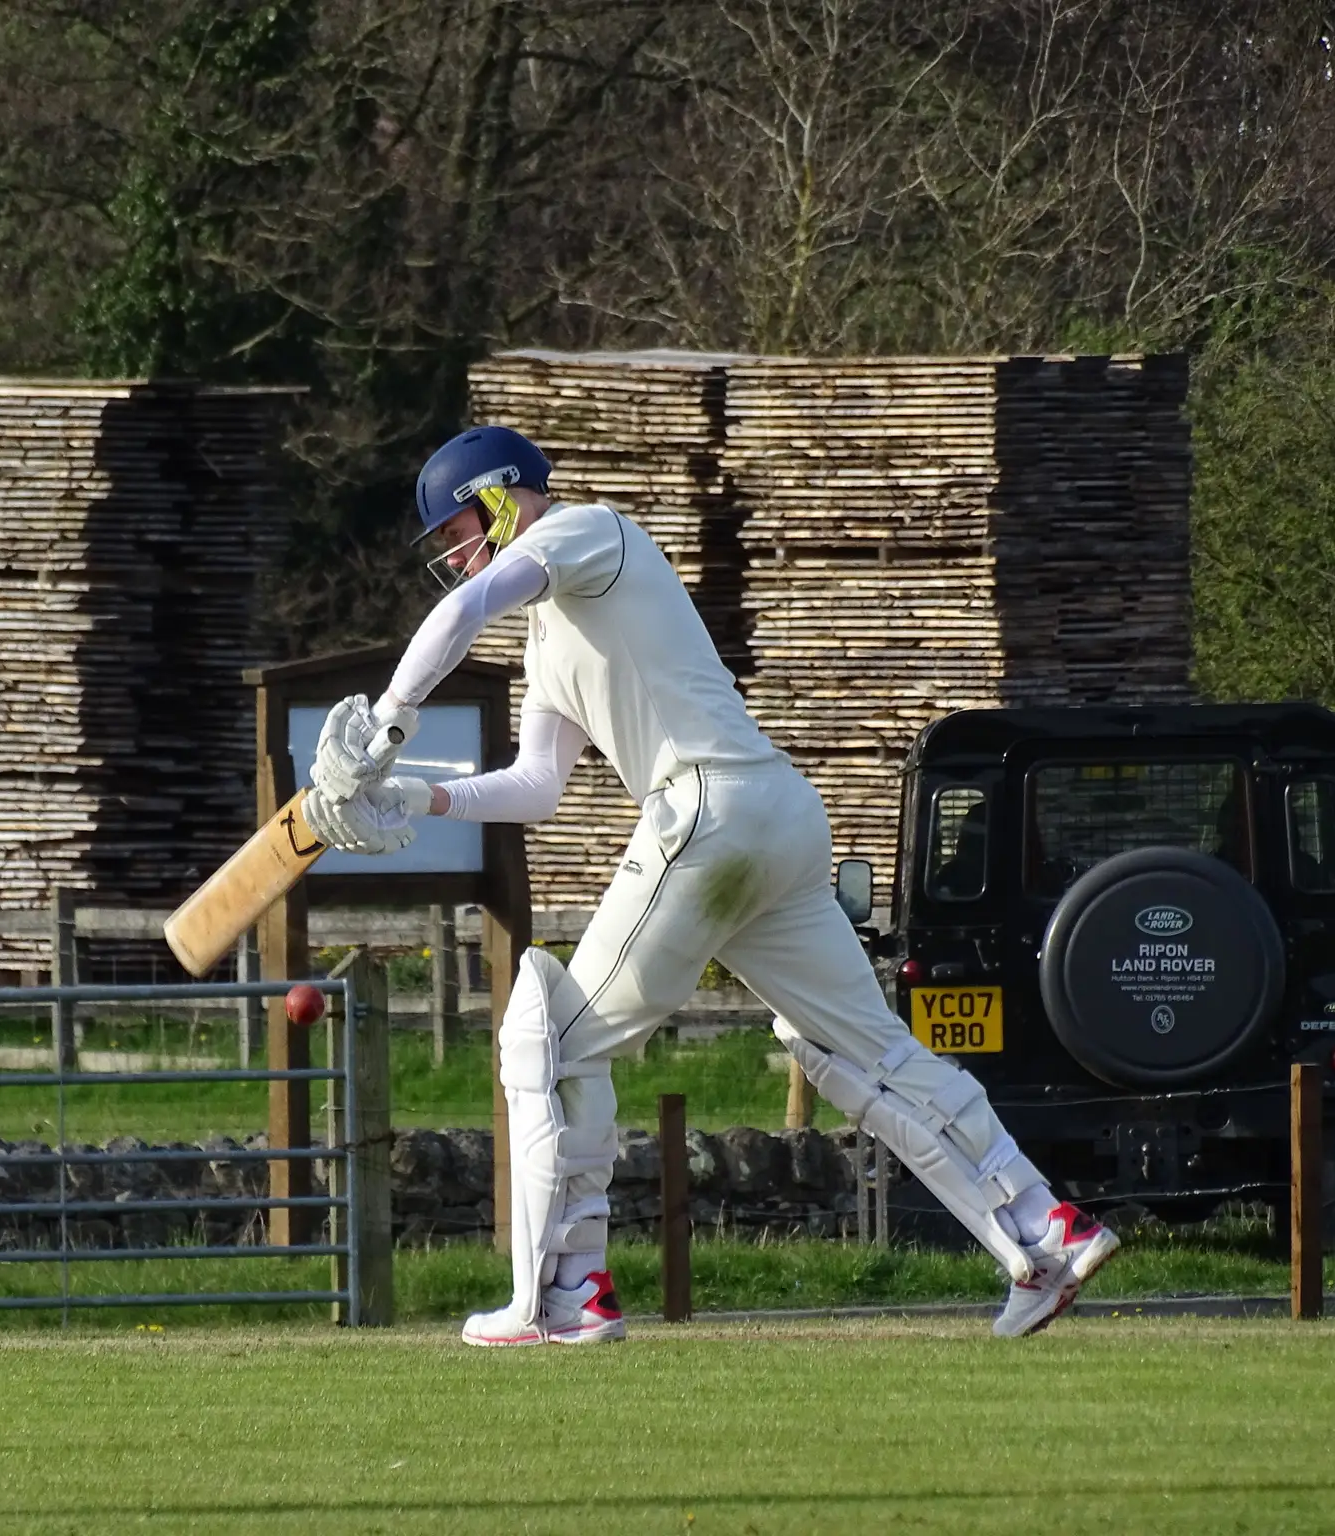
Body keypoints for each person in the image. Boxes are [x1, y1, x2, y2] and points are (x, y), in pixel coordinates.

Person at [302, 426, 1118, 1344]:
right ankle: (1046, 1231)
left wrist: (386, 726)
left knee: (550, 1034)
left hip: (707, 812)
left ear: (499, 497)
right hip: (773, 817)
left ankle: (565, 1296)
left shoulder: (583, 532)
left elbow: (469, 607)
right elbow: (537, 787)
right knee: (863, 1054)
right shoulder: (550, 635)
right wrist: (419, 796)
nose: (452, 554)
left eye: (456, 527)